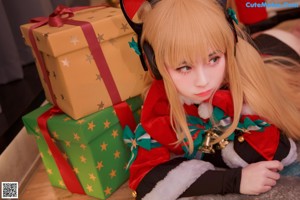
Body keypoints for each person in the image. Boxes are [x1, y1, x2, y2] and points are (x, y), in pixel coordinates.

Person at [120, 0, 300, 199]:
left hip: (281, 50)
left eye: (214, 59)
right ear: (154, 64)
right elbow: (146, 179)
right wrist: (234, 180)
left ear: (229, 48)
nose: (203, 81)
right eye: (184, 67)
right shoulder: (159, 105)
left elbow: (274, 151)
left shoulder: (248, 84)